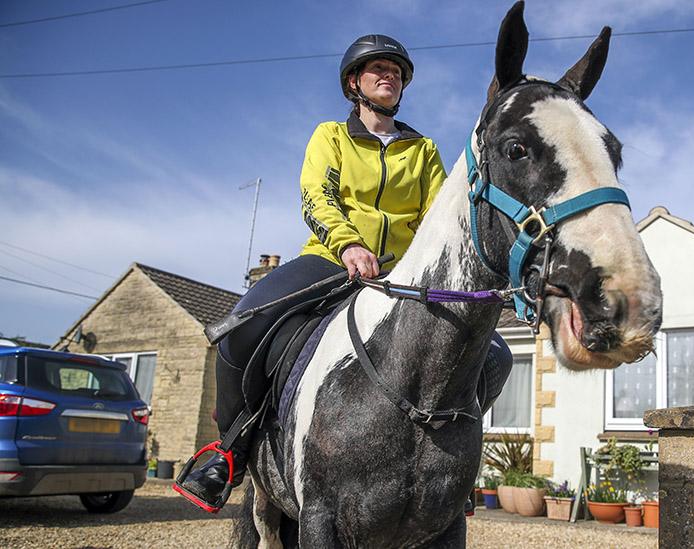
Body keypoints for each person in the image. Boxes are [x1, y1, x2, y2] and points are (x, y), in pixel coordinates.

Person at [174, 34, 513, 513]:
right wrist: (350, 243)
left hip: (402, 276)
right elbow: (317, 197)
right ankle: (227, 452)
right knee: (243, 325)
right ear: (354, 82)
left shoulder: (421, 151)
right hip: (331, 258)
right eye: (378, 69)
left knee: (494, 354)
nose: (389, 76)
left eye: (396, 71)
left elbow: (441, 218)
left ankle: (446, 466)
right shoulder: (329, 136)